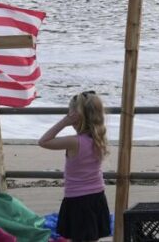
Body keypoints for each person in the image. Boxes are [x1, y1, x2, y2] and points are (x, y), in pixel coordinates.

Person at [38, 91, 111, 242]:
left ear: (75, 117)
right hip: (97, 196)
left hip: (78, 200)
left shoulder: (74, 141)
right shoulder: (99, 138)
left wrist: (64, 122)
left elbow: (43, 141)